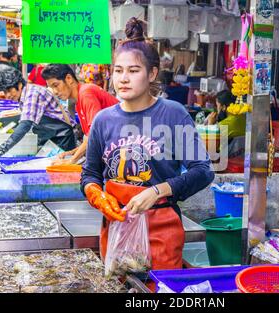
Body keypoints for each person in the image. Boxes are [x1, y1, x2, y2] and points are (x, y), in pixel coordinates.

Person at [81, 18, 214, 278]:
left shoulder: (172, 114)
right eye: (118, 71)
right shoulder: (103, 120)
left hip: (160, 229)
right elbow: (89, 174)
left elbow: (203, 171)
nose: (123, 79)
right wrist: (98, 195)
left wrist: (156, 191)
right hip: (117, 227)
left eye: (133, 71)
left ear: (152, 73)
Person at [42, 64, 118, 165]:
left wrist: (71, 161)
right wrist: (73, 153)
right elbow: (88, 137)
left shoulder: (86, 94)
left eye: (56, 85)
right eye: (52, 88)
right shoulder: (79, 99)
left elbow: (94, 134)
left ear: (69, 78)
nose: (55, 92)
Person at [0, 65, 76, 156]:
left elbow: (25, 124)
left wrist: (2, 150)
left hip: (62, 139)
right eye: (4, 92)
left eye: (9, 90)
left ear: (19, 85)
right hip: (51, 138)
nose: (7, 95)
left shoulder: (32, 93)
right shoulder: (25, 94)